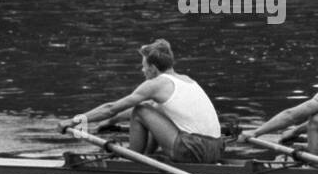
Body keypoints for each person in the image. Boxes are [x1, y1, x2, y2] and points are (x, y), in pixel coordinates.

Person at [59, 39, 224, 164]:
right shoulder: (186, 80)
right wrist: (113, 121)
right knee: (151, 111)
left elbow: (111, 107)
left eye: (144, 66)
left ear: (153, 68)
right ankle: (147, 158)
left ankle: (133, 161)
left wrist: (74, 120)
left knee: (140, 111)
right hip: (217, 149)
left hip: (193, 150)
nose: (142, 70)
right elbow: (149, 111)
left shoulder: (157, 84)